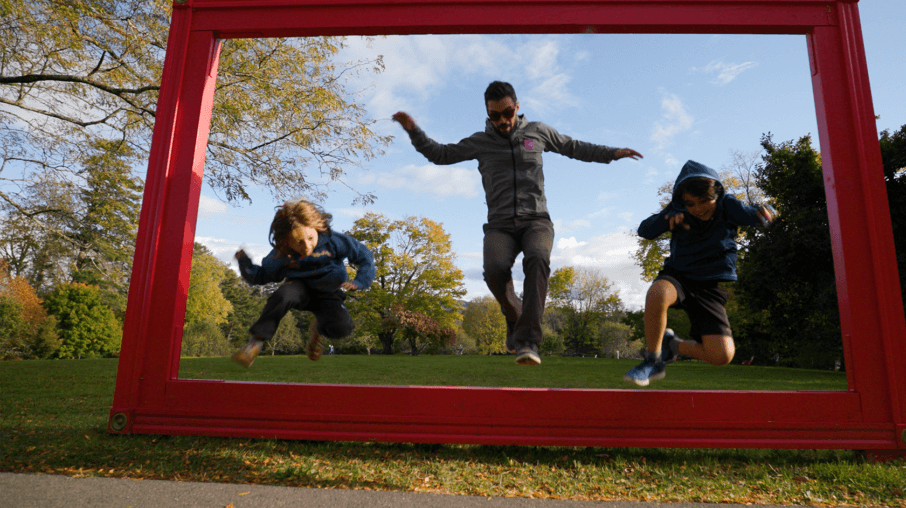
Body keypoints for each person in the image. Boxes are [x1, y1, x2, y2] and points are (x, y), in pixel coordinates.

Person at [392, 81, 642, 366]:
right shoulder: (480, 142)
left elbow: (574, 147)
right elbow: (440, 154)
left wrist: (612, 153)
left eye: (507, 113)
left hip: (536, 220)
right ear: (488, 115)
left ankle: (528, 341)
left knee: (537, 259)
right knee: (494, 270)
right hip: (500, 224)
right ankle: (514, 315)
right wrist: (413, 130)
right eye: (494, 116)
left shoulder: (538, 132)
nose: (502, 121)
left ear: (517, 107)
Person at [623, 160, 773, 386]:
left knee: (721, 356)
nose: (699, 208)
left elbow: (750, 214)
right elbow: (645, 231)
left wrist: (766, 212)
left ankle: (672, 345)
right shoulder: (678, 210)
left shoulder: (728, 205)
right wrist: (668, 216)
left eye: (705, 201)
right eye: (691, 204)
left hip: (709, 286)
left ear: (717, 194)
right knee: (657, 293)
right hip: (679, 277)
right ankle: (653, 361)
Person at [231, 200, 376, 368]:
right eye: (298, 242)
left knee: (342, 329)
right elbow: (262, 276)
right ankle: (256, 342)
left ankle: (319, 327)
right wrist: (244, 263)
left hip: (328, 292)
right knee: (283, 295)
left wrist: (360, 281)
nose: (306, 246)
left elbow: (365, 256)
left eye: (310, 238)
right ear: (286, 241)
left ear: (317, 229)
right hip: (300, 289)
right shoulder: (282, 254)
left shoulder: (334, 240)